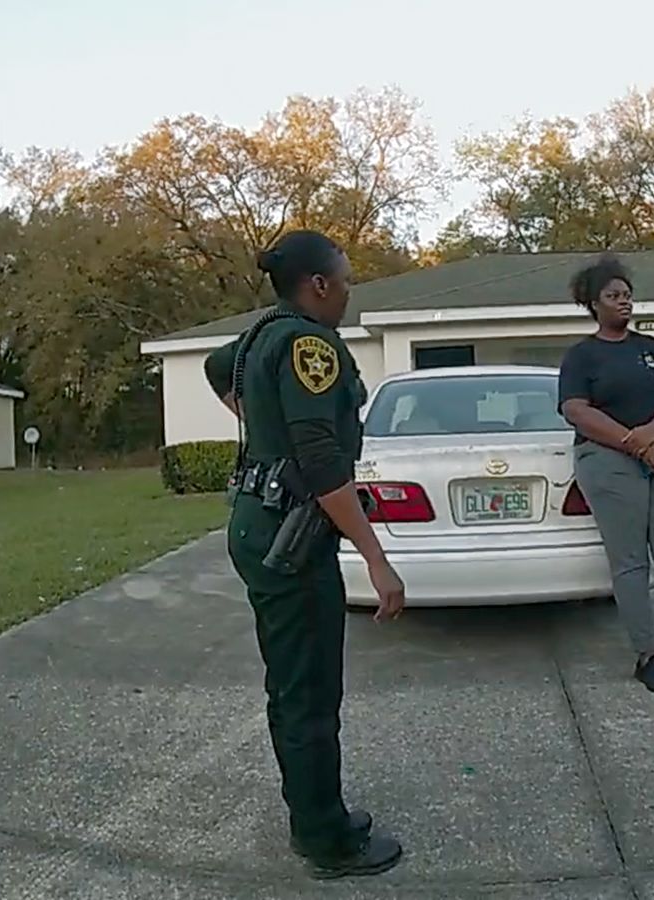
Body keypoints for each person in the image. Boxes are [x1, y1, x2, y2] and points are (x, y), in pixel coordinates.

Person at [203, 229, 407, 879]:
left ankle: (314, 813)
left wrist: (265, 433)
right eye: (344, 279)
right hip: (290, 538)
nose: (348, 290)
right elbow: (322, 464)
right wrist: (376, 557)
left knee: (292, 685)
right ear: (318, 284)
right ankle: (326, 842)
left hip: (257, 525)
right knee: (310, 693)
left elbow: (217, 369)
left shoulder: (266, 332)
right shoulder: (309, 344)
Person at [556, 253, 654, 696]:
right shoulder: (581, 356)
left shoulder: (653, 348)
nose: (624, 302)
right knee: (631, 562)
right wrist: (633, 443)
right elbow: (575, 410)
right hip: (608, 462)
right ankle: (648, 657)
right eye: (613, 296)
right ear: (594, 303)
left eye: (628, 295)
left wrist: (649, 436)